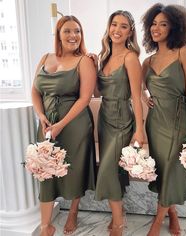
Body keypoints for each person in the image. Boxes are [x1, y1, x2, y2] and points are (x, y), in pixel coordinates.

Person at [31, 15, 97, 236]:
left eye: (77, 31)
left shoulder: (84, 61)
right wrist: (41, 114)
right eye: (68, 31)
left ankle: (73, 212)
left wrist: (61, 124)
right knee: (45, 170)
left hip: (74, 124)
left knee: (74, 169)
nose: (73, 35)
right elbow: (35, 90)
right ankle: (45, 225)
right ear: (58, 34)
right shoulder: (45, 57)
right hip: (47, 124)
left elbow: (85, 98)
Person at [141, 3, 186, 236]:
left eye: (163, 24)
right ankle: (172, 213)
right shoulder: (148, 61)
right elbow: (138, 88)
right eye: (153, 23)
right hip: (155, 123)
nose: (157, 28)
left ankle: (157, 222)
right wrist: (146, 97)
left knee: (174, 168)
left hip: (178, 121)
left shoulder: (184, 52)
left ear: (174, 27)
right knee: (163, 170)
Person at [94, 10, 144, 236]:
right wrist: (90, 65)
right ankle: (119, 212)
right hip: (104, 117)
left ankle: (118, 223)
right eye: (114, 24)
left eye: (123, 26)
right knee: (113, 169)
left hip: (123, 118)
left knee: (106, 170)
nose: (117, 30)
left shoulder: (130, 57)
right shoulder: (102, 56)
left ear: (130, 31)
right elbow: (96, 92)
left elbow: (136, 96)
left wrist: (139, 129)